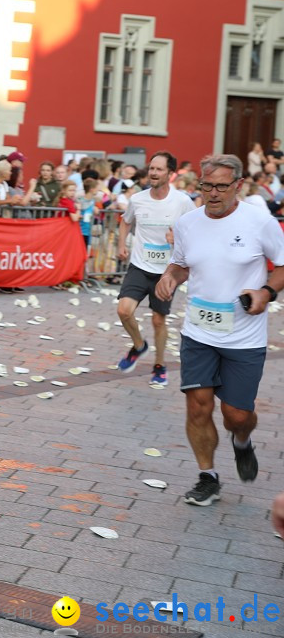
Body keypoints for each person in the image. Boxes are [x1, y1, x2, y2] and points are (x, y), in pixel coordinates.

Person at [155, 154, 284, 507]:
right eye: (206, 185)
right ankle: (207, 476)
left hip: (244, 336)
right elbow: (181, 264)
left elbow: (283, 266)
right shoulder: (188, 223)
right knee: (198, 407)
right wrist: (169, 277)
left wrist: (266, 292)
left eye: (221, 186)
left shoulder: (260, 222)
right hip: (198, 331)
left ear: (237, 185)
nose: (212, 193)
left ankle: (242, 441)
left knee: (236, 415)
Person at [115, 152, 197, 386]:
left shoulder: (182, 201)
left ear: (170, 174)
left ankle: (159, 365)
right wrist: (122, 244)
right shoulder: (138, 199)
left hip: (167, 271)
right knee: (123, 310)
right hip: (140, 265)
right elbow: (126, 221)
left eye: (159, 169)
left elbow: (196, 228)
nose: (153, 173)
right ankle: (139, 345)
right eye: (151, 168)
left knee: (159, 320)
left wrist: (177, 239)